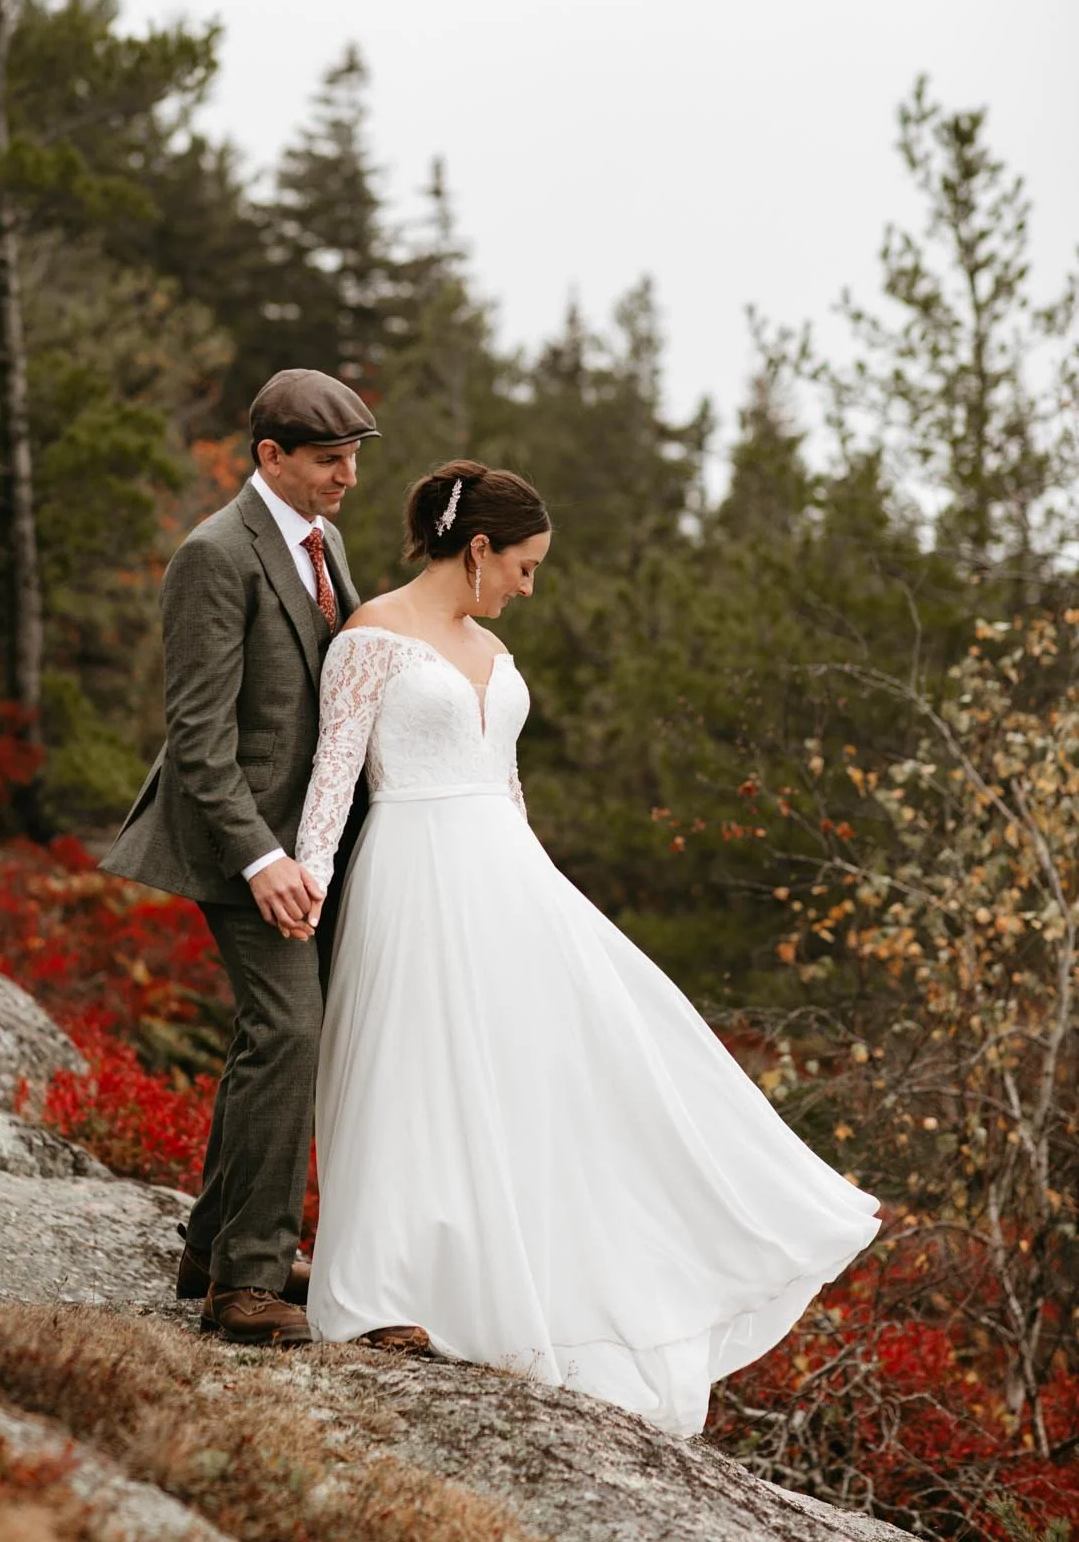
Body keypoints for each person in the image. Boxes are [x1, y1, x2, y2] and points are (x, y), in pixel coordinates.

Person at [292, 458, 881, 1436]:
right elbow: (332, 778)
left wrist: (547, 892)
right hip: (412, 868)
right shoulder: (371, 638)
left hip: (508, 876)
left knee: (578, 1061)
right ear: (476, 548)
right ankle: (392, 1286)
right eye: (523, 564)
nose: (531, 583)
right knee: (416, 1070)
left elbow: (508, 791)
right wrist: (307, 879)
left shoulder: (493, 650)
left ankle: (548, 1265)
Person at [99, 368, 378, 1346]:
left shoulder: (324, 541)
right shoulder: (213, 555)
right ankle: (246, 1283)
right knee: (290, 1029)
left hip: (311, 839)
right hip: (238, 838)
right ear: (271, 455)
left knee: (271, 1032)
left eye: (354, 457)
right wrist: (262, 859)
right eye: (328, 459)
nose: (348, 475)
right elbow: (197, 739)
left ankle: (213, 1241)